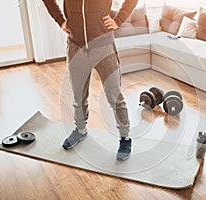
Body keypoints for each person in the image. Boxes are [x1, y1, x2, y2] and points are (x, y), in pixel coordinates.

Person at [42, 0, 138, 161]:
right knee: (78, 94)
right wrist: (60, 20)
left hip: (104, 45)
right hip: (76, 46)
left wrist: (119, 19)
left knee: (114, 96)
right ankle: (80, 130)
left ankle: (125, 137)